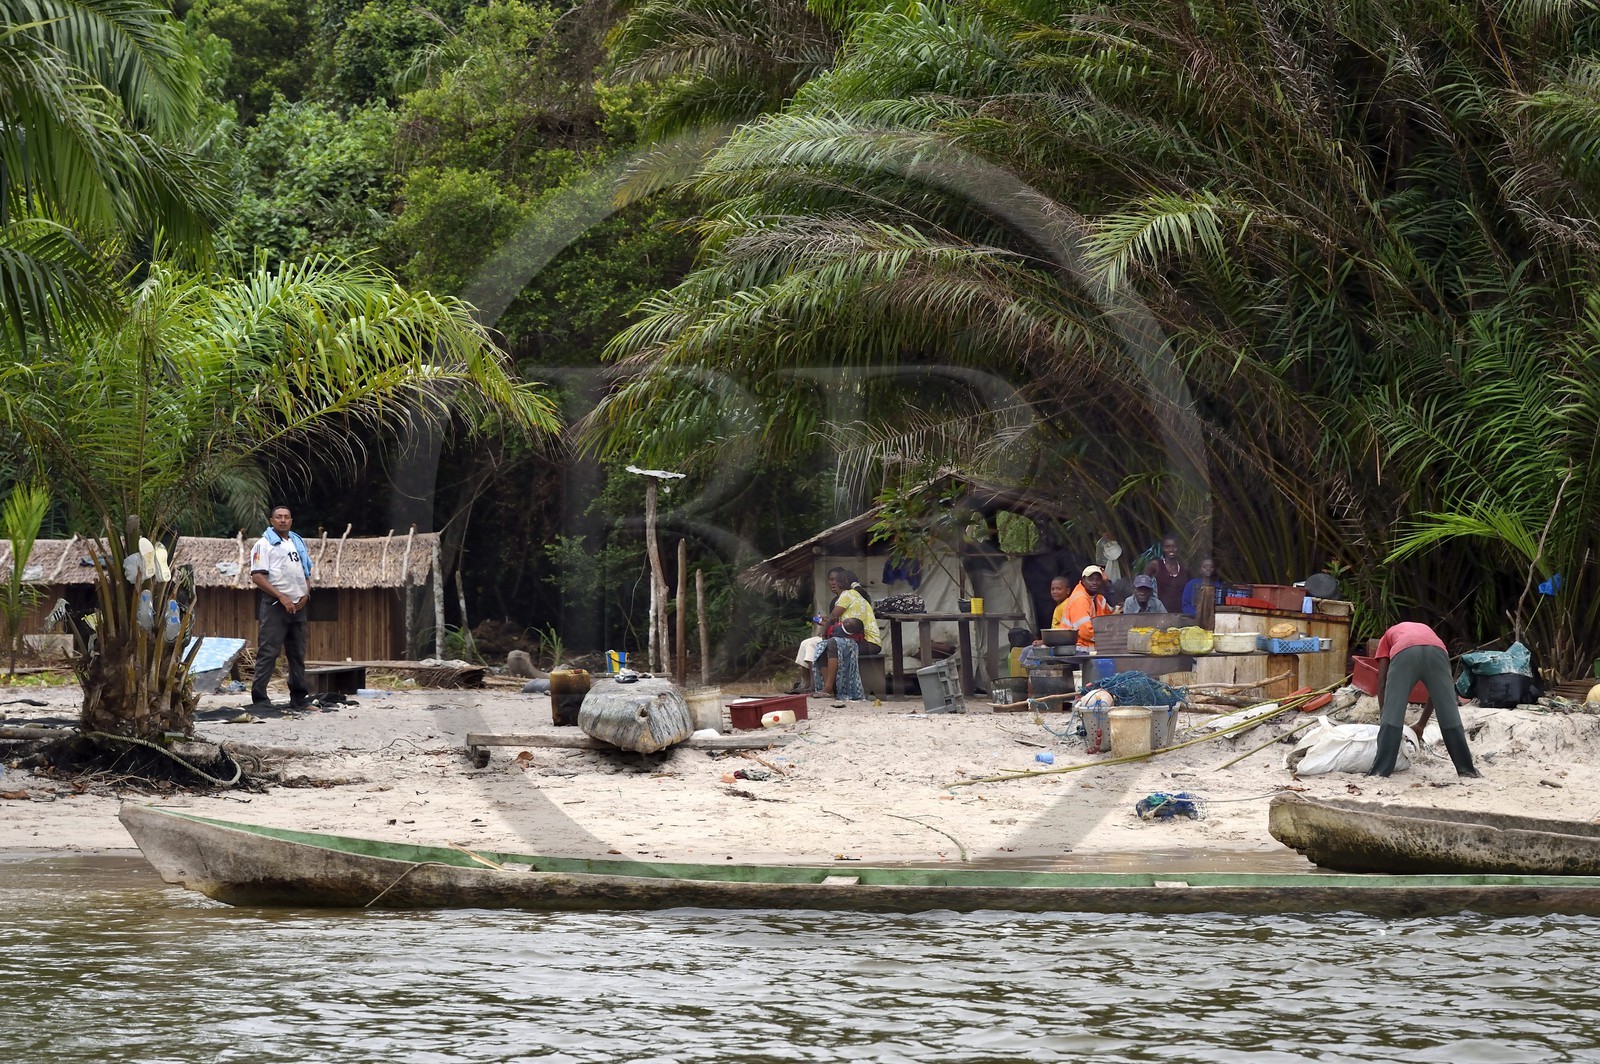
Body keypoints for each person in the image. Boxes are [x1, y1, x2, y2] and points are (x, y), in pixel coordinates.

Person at [1368, 621, 1479, 778]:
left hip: (1405, 652)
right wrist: (1421, 724)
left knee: (1393, 715)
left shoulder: (1386, 637)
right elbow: (1436, 693)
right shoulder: (1426, 630)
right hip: (1437, 650)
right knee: (1449, 715)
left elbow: (1382, 683)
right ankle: (1466, 769)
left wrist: (1384, 718)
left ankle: (1380, 771)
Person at [250, 505, 313, 709]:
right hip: (275, 604)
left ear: (291, 521)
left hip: (298, 605)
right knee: (268, 652)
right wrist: (281, 596)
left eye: (286, 517)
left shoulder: (296, 542)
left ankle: (299, 698)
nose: (283, 520)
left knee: (297, 653)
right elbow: (257, 576)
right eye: (279, 517)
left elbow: (305, 573)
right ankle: (260, 699)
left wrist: (306, 594)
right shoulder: (263, 544)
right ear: (272, 521)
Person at [793, 567, 881, 698]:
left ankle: (826, 688)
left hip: (866, 641)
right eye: (831, 580)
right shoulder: (853, 595)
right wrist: (827, 626)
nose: (833, 583)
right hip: (861, 639)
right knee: (819, 645)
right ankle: (822, 687)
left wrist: (824, 634)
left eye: (836, 580)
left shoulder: (847, 594)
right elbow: (837, 621)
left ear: (841, 583)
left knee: (827, 644)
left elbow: (833, 618)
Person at [1059, 565, 1114, 649]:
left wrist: (1107, 583)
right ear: (1083, 580)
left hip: (1090, 646)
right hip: (1077, 648)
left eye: (1098, 579)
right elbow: (1085, 631)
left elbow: (1113, 615)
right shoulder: (1080, 599)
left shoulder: (1098, 598)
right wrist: (1108, 638)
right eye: (1090, 579)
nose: (1094, 582)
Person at [1144, 534, 1189, 614]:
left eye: (1174, 547)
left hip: (1181, 612)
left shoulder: (1184, 567)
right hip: (1161, 612)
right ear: (1162, 548)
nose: (1171, 550)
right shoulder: (1156, 565)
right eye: (1167, 547)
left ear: (1178, 548)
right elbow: (1143, 582)